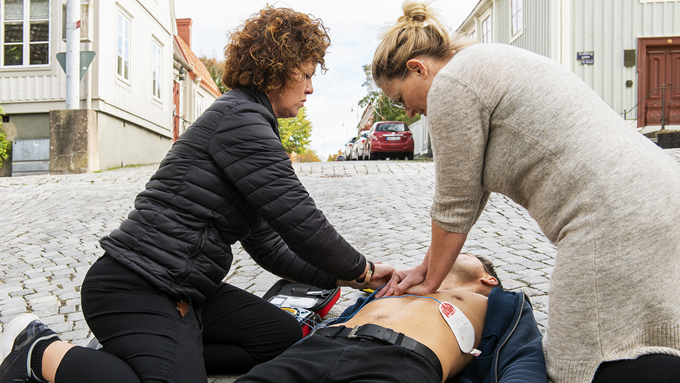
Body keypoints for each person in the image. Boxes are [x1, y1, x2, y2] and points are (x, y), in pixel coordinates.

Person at [0, 6, 394, 383]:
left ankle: (137, 356)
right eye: (305, 74)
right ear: (276, 70)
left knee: (281, 339)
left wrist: (354, 280)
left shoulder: (248, 119)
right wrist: (365, 271)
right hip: (136, 285)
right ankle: (38, 350)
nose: (310, 87)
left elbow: (270, 246)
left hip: (187, 288)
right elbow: (301, 221)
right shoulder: (241, 122)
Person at [371, 2, 680, 383]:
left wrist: (430, 282)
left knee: (578, 362)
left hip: (611, 216)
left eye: (401, 98)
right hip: (660, 191)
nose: (411, 112)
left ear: (418, 68)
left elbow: (455, 203)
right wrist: (426, 266)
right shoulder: (487, 59)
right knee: (644, 337)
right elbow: (470, 194)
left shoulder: (451, 84)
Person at [234, 253, 546, 383]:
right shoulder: (401, 287)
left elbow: (523, 357)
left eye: (465, 252)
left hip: (401, 360)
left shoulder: (502, 302)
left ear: (487, 278)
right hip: (319, 349)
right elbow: (341, 316)